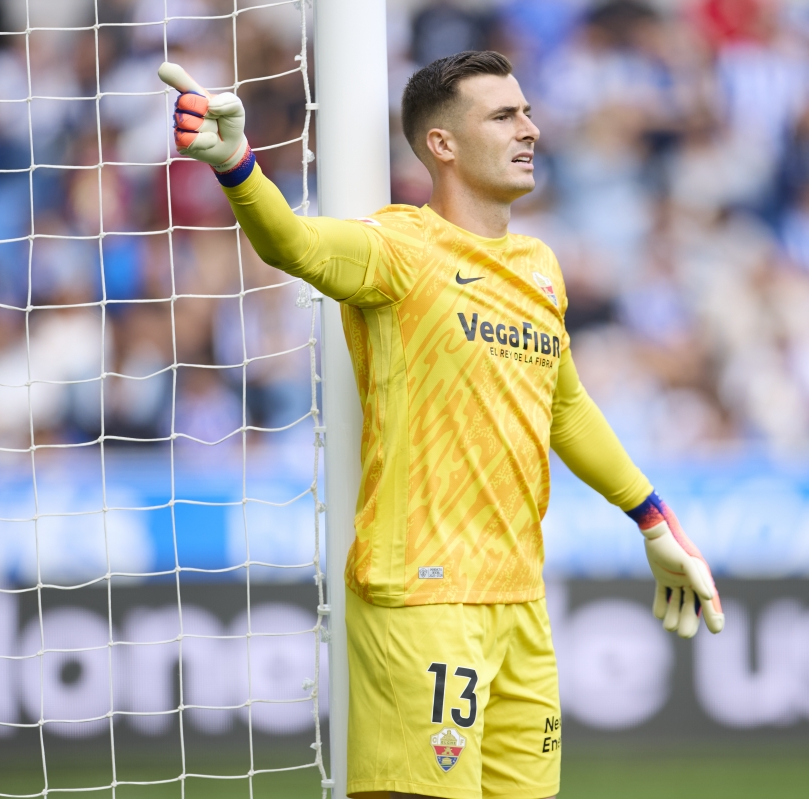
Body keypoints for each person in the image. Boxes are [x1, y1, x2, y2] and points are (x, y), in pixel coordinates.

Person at [159, 50, 723, 799]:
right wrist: (237, 165)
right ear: (443, 145)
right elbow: (291, 243)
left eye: (526, 111)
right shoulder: (402, 248)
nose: (531, 128)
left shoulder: (539, 265)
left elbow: (566, 406)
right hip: (421, 596)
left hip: (519, 600)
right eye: (504, 115)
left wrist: (653, 521)